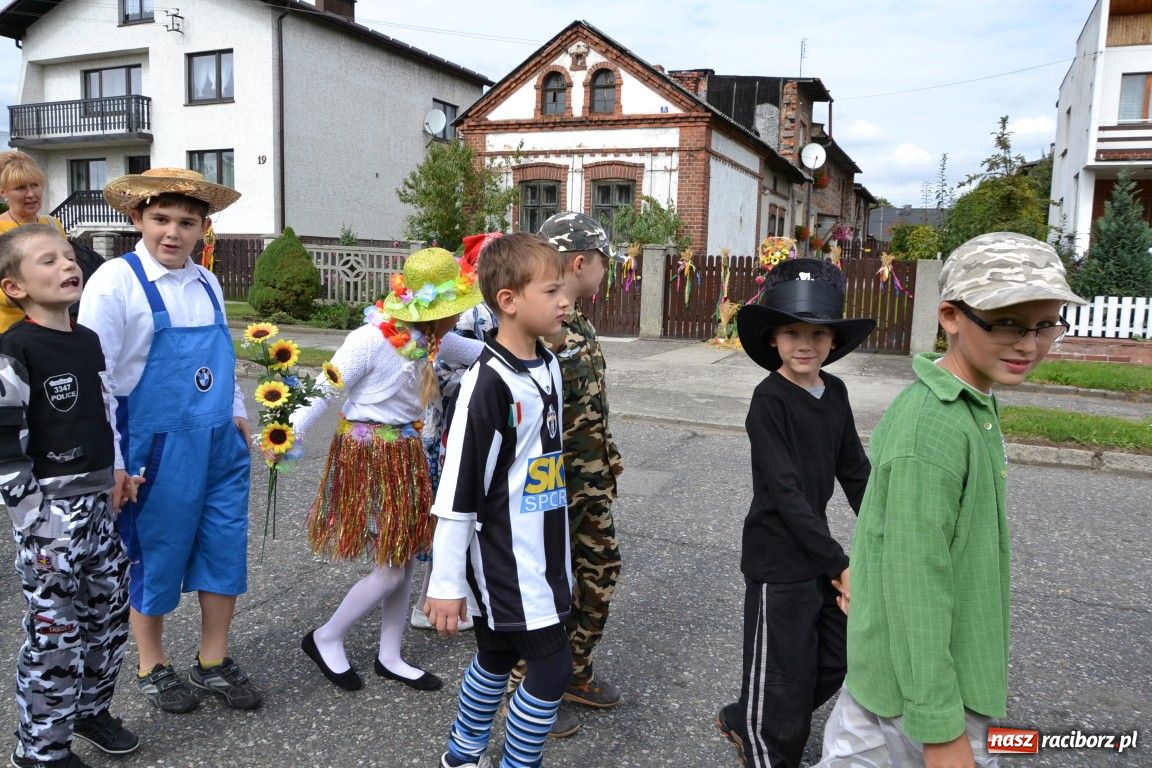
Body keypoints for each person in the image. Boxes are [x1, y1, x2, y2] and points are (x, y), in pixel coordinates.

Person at [814, 233, 1086, 768]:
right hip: (920, 698)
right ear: (951, 317)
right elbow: (916, 585)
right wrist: (940, 730)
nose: (1029, 344)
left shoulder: (970, 401)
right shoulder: (932, 428)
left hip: (913, 677)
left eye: (1045, 324)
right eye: (1007, 323)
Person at [76, 168, 261, 714]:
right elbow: (97, 379)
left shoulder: (207, 282)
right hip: (154, 447)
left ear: (204, 228)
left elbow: (221, 360)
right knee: (155, 552)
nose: (173, 233)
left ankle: (212, 659)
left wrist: (235, 410)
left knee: (223, 547)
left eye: (186, 222)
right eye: (161, 219)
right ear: (137, 218)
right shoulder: (116, 281)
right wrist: (112, 461)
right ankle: (152, 663)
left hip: (218, 444)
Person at [292, 246, 483, 693]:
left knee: (405, 555)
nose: (459, 317)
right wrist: (286, 434)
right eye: (454, 309)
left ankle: (390, 655)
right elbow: (325, 388)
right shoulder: (372, 339)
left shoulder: (434, 339)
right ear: (432, 310)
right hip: (369, 454)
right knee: (391, 569)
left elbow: (482, 354)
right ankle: (327, 636)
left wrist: (531, 353)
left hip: (406, 452)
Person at [714, 258, 876, 768]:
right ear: (773, 339)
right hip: (778, 558)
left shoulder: (836, 392)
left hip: (817, 550)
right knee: (781, 673)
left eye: (817, 333)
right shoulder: (769, 400)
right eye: (791, 332)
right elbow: (786, 495)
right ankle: (766, 746)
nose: (805, 344)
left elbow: (855, 470)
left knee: (842, 652)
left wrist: (885, 529)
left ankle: (751, 715)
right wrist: (840, 565)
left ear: (833, 340)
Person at [426, 233, 572, 768]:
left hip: (544, 552)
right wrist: (446, 582)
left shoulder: (548, 364)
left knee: (496, 654)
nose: (565, 301)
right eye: (551, 291)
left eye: (565, 289)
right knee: (553, 671)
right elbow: (458, 491)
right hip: (509, 560)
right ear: (508, 301)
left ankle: (462, 755)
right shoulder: (487, 384)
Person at [0, 224, 141, 768]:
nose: (67, 265)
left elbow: (102, 414)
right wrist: (35, 518)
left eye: (68, 256)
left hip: (100, 506)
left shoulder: (87, 340)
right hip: (51, 516)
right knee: (55, 633)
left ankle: (89, 710)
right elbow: (5, 444)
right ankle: (40, 748)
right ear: (15, 287)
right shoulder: (16, 348)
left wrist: (115, 475)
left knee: (108, 616)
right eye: (48, 260)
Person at [520, 210, 629, 738]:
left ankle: (572, 671)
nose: (607, 272)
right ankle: (528, 685)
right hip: (553, 488)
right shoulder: (540, 327)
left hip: (590, 482)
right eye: (605, 262)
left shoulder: (576, 319)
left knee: (600, 571)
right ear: (581, 262)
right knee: (548, 588)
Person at [410, 233, 502, 632]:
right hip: (450, 429)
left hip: (459, 425)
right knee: (452, 510)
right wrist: (500, 370)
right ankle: (430, 601)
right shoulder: (471, 314)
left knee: (461, 511)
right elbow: (446, 366)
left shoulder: (486, 308)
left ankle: (443, 597)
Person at [0, 150, 67, 332]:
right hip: (8, 331)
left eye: (35, 185)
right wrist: (31, 295)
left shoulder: (53, 224)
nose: (30, 194)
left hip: (52, 326)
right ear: (3, 192)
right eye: (20, 188)